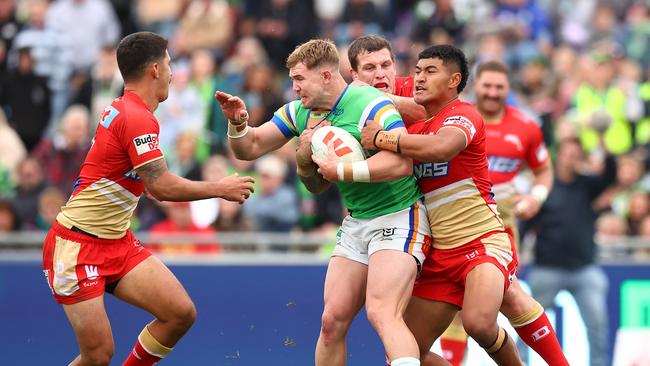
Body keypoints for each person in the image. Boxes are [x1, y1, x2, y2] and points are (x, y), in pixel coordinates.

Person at [350, 36, 568, 366]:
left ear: (454, 81)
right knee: (409, 348)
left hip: (482, 240)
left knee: (481, 321)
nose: (420, 77)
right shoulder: (414, 112)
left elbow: (441, 148)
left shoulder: (464, 115)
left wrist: (382, 138)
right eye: (418, 70)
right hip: (439, 253)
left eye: (431, 71)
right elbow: (365, 91)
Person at [41, 32, 255, 366]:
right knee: (97, 357)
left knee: (179, 313)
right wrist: (220, 188)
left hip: (115, 241)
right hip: (77, 247)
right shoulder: (136, 117)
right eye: (169, 64)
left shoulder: (127, 109)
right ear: (155, 69)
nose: (172, 72)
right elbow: (161, 187)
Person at [216, 39, 432, 366]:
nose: (294, 86)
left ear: (327, 76)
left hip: (399, 217)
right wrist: (238, 123)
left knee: (382, 312)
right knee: (331, 322)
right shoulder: (300, 111)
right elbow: (251, 147)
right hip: (358, 221)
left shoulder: (371, 103)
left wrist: (340, 169)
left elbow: (401, 164)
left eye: (300, 79)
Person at [524, 137, 616, 366]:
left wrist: (603, 144)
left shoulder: (587, 185)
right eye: (568, 154)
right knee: (525, 323)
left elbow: (610, 177)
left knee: (598, 326)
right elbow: (526, 222)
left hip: (584, 268)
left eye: (576, 155)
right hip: (547, 268)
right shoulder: (545, 187)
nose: (571, 158)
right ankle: (518, 363)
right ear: (558, 156)